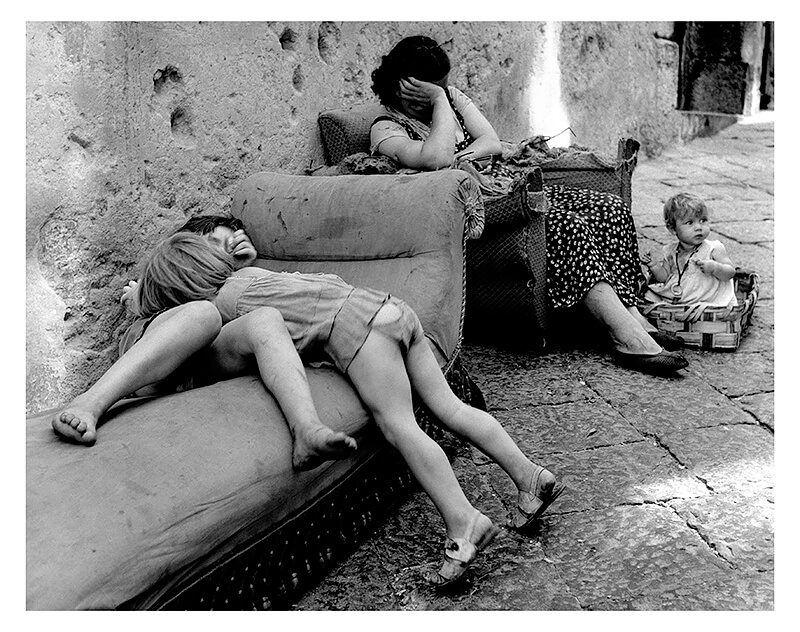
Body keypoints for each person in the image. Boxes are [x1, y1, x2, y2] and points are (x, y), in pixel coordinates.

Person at [132, 231, 566, 586]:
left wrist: (137, 304)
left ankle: (463, 520)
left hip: (357, 328)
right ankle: (530, 476)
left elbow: (193, 346)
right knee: (450, 407)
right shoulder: (255, 276)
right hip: (389, 307)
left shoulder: (221, 307)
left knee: (401, 427)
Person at [368, 35, 689, 376]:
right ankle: (624, 336)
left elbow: (490, 141)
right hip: (477, 214)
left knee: (607, 207)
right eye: (434, 90)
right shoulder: (387, 128)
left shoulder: (450, 98)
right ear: (406, 86)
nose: (444, 94)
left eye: (444, 88)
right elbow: (435, 157)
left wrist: (458, 136)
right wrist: (439, 105)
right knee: (566, 225)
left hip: (503, 187)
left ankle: (631, 313)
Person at [51, 215, 358, 471]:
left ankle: (306, 429)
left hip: (198, 366)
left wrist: (245, 267)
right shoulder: (160, 286)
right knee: (204, 313)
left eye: (231, 246)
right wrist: (141, 296)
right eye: (214, 245)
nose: (226, 252)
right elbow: (163, 297)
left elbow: (274, 298)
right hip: (155, 356)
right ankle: (90, 404)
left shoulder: (233, 283)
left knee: (266, 317)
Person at [643, 192, 737, 307]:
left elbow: (731, 272)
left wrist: (715, 268)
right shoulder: (670, 251)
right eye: (689, 223)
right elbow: (664, 278)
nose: (698, 227)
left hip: (707, 298)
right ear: (673, 229)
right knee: (648, 295)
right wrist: (654, 266)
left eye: (703, 220)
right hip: (680, 296)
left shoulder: (713, 248)